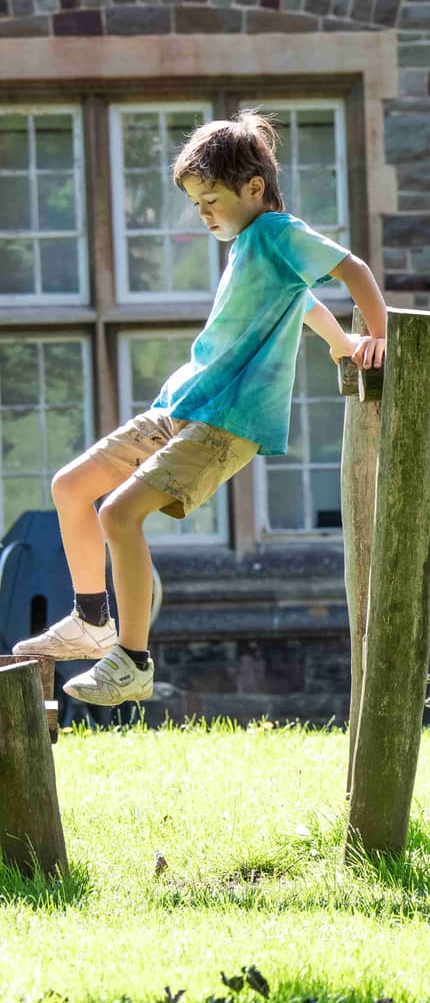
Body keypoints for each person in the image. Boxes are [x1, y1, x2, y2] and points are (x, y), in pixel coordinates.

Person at [14, 111, 388, 703]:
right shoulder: (252, 246)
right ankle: (91, 620)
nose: (205, 213)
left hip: (224, 421)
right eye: (196, 204)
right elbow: (307, 302)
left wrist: (378, 333)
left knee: (118, 514)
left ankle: (131, 660)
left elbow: (353, 269)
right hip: (182, 403)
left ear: (254, 188)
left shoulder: (275, 231)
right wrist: (344, 347)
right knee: (70, 485)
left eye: (212, 198)